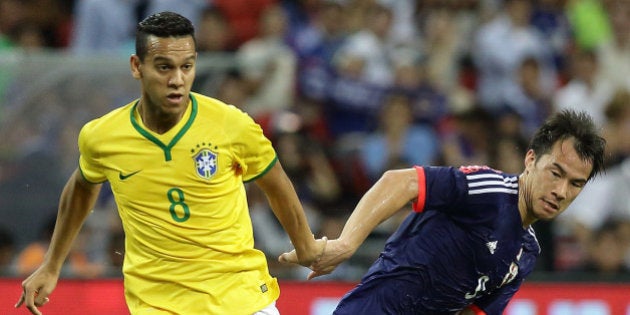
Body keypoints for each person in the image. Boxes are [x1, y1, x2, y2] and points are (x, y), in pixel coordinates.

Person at [15, 11, 326, 315]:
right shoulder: (102, 136)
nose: (177, 79)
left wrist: (306, 245)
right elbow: (82, 186)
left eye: (186, 66)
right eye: (164, 67)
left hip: (239, 300)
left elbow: (276, 182)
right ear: (137, 66)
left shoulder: (232, 125)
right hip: (157, 305)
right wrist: (52, 265)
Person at [280, 109, 606, 314]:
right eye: (556, 173)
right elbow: (399, 182)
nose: (561, 192)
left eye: (576, 184)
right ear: (531, 160)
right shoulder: (488, 190)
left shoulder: (527, 252)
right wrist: (345, 245)